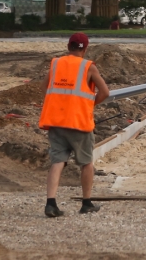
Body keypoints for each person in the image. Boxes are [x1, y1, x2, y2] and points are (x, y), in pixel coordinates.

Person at [39, 32, 109, 218]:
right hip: (79, 123)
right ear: (85, 49)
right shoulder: (88, 67)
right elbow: (105, 92)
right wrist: (88, 104)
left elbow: (45, 88)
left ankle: (51, 203)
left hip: (56, 122)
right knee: (86, 163)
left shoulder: (56, 64)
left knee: (57, 161)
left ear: (68, 46)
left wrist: (61, 101)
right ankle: (86, 203)